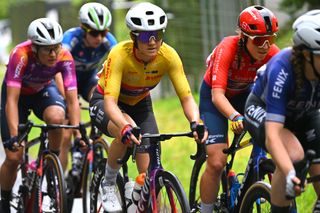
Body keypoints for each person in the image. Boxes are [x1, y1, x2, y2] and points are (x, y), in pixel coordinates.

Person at [89, 2, 208, 212]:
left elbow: (187, 97)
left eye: (158, 34)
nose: (153, 42)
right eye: (145, 36)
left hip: (140, 103)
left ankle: (138, 198)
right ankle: (108, 182)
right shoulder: (119, 55)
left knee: (148, 174)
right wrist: (124, 127)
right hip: (107, 102)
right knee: (125, 129)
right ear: (134, 37)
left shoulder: (168, 56)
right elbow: (110, 102)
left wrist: (195, 122)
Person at [198, 5, 280, 212]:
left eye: (270, 39)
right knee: (217, 162)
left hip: (245, 93)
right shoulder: (229, 48)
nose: (265, 46)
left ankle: (256, 180)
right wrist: (234, 116)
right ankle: (206, 209)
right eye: (259, 40)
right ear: (243, 37)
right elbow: (217, 95)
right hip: (215, 98)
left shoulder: (272, 53)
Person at [0, 18, 81, 212]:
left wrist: (78, 133)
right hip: (17, 97)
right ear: (35, 48)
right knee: (14, 157)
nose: (54, 54)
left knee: (57, 118)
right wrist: (13, 137)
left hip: (42, 91)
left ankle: (51, 165)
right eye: (47, 49)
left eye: (56, 47)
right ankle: (4, 200)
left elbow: (71, 99)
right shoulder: (21, 55)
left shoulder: (64, 56)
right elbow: (11, 100)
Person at [244, 10, 320, 212]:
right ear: (305, 54)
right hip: (263, 111)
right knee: (293, 156)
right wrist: (288, 173)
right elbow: (273, 137)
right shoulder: (282, 69)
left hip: (304, 114)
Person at [57, 2, 117, 175]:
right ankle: (59, 178)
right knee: (66, 134)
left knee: (100, 97)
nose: (99, 37)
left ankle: (94, 135)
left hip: (87, 79)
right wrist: (69, 98)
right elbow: (58, 72)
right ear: (83, 29)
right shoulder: (71, 40)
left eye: (103, 32)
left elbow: (120, 61)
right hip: (65, 79)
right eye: (94, 32)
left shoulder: (107, 41)